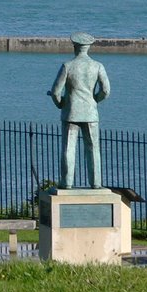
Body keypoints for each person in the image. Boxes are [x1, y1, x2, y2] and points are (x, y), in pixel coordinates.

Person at [48, 32, 110, 189]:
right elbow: (106, 90)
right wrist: (95, 100)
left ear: (75, 47)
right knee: (93, 148)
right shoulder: (97, 66)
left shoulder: (67, 66)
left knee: (68, 148)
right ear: (88, 48)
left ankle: (67, 182)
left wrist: (60, 104)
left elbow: (55, 92)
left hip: (71, 112)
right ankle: (96, 182)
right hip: (90, 113)